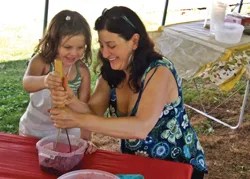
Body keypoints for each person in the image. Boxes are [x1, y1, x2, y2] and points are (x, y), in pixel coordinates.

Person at [50, 6, 208, 178]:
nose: (104, 53)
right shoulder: (112, 72)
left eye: (111, 45)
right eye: (101, 45)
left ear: (134, 41)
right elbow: (94, 112)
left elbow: (140, 127)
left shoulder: (159, 71)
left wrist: (76, 119)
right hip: (137, 165)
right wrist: (71, 99)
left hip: (177, 167)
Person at [19, 9, 96, 153]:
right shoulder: (42, 62)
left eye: (80, 47)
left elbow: (85, 110)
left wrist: (85, 140)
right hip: (34, 128)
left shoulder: (82, 72)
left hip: (67, 132)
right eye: (67, 47)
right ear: (54, 42)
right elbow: (27, 83)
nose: (74, 53)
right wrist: (45, 80)